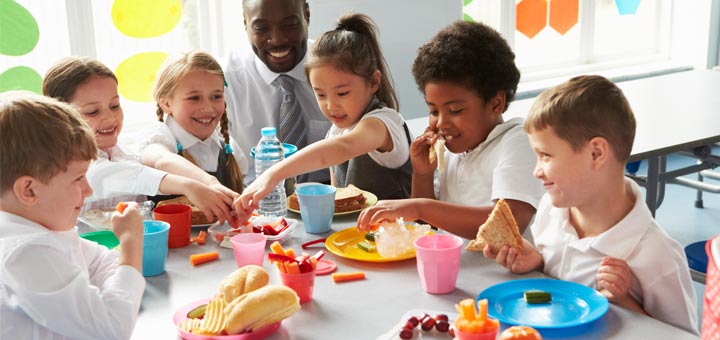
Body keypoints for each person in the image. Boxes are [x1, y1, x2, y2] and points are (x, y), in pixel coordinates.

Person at [486, 75, 699, 334]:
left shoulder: (658, 256)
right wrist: (539, 264)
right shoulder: (550, 212)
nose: (537, 171)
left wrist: (626, 302)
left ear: (596, 153)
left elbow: (683, 336)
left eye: (545, 156)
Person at [357, 21, 543, 240]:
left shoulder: (518, 142)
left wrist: (420, 207)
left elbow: (506, 224)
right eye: (433, 110)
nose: (441, 123)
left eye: (455, 110)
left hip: (504, 274)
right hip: (453, 269)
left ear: (495, 104)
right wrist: (423, 174)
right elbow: (425, 225)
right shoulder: (454, 152)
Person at [234, 13, 413, 219]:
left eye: (342, 93)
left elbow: (341, 148)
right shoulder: (336, 131)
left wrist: (273, 173)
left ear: (373, 82)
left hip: (396, 241)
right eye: (320, 94)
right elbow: (337, 200)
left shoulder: (382, 123)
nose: (331, 105)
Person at [0, 91, 145, 339]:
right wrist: (131, 245)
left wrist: (112, 293)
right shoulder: (25, 252)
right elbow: (111, 329)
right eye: (78, 178)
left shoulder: (43, 230)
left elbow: (101, 261)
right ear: (29, 190)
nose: (88, 190)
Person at [42, 56, 235, 223]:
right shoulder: (66, 165)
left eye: (115, 105)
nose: (110, 118)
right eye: (93, 111)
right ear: (60, 116)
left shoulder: (124, 154)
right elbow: (125, 175)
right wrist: (189, 185)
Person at [223, 0, 331, 184]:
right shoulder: (224, 80)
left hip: (334, 199)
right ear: (245, 24)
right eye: (261, 28)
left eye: (289, 25)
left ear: (307, 15)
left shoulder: (338, 69)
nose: (277, 39)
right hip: (254, 201)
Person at [138, 51, 248, 197]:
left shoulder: (229, 148)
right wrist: (210, 183)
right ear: (166, 103)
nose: (208, 108)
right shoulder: (158, 136)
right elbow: (160, 160)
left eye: (216, 96)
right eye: (194, 98)